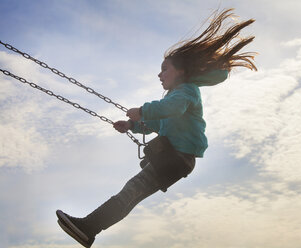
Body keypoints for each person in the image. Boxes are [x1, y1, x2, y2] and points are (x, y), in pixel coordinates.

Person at [56, 8, 256, 248]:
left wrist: (142, 110)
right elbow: (158, 123)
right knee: (133, 192)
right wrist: (132, 124)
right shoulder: (176, 94)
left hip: (178, 158)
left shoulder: (187, 92)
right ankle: (89, 228)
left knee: (132, 190)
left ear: (180, 71)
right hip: (174, 157)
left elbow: (170, 108)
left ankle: (89, 227)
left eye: (165, 69)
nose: (159, 74)